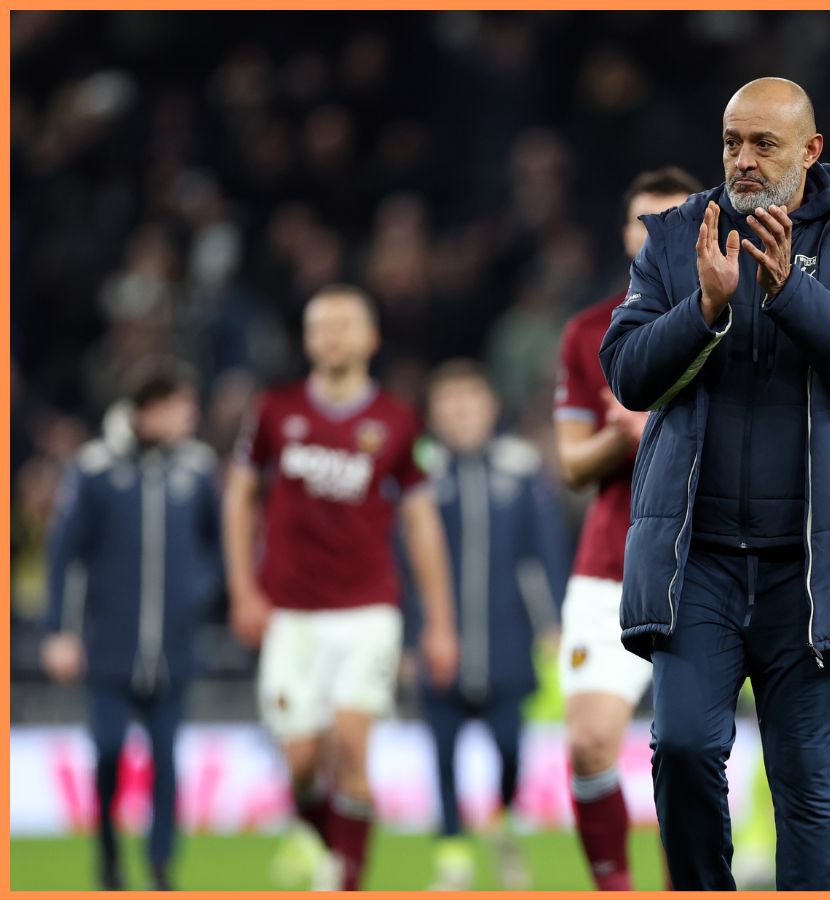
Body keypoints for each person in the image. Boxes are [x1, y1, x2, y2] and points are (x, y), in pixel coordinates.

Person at [600, 77, 830, 891]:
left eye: (763, 144)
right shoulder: (677, 236)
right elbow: (626, 372)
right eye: (732, 141)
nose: (742, 159)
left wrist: (789, 292)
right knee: (682, 749)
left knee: (809, 786)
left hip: (808, 570)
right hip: (697, 561)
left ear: (810, 150)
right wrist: (703, 308)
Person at [223, 284, 459, 890]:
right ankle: (331, 848)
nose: (331, 336)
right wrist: (244, 591)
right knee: (302, 760)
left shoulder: (398, 421)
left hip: (367, 609)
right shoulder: (273, 411)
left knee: (353, 746)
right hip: (289, 612)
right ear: (306, 340)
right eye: (320, 326)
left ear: (370, 338)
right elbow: (240, 497)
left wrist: (439, 621)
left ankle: (344, 883)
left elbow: (421, 523)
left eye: (343, 324)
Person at [553, 166, 701, 890]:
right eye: (646, 221)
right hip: (611, 562)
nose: (657, 235)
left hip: (707, 565)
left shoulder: (738, 318)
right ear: (625, 234)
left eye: (674, 219)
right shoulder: (590, 332)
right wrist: (621, 434)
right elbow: (572, 465)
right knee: (587, 745)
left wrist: (663, 426)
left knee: (689, 754)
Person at [42, 367, 219, 891]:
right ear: (150, 410)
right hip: (110, 646)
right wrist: (60, 631)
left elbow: (216, 545)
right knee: (108, 750)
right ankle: (108, 855)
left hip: (173, 646)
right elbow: (64, 554)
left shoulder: (196, 468)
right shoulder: (96, 468)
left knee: (166, 757)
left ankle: (161, 865)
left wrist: (198, 592)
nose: (190, 417)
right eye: (181, 406)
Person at [416, 359, 569, 890]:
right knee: (442, 749)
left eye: (469, 400)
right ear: (434, 413)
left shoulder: (519, 469)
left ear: (490, 407)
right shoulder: (421, 474)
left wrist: (552, 622)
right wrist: (410, 634)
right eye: (449, 402)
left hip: (507, 640)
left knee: (509, 746)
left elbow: (543, 552)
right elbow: (404, 561)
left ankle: (500, 817)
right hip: (441, 642)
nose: (461, 412)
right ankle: (452, 855)